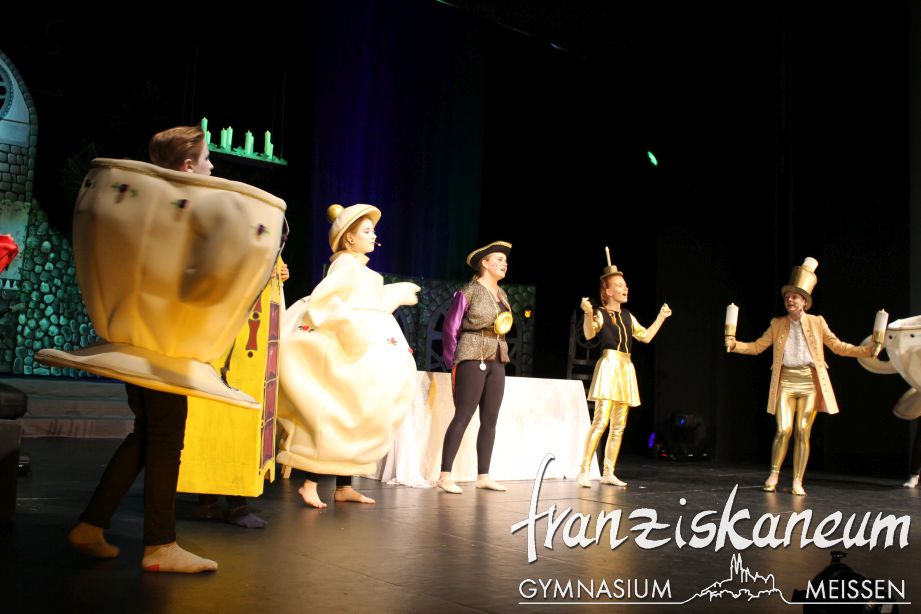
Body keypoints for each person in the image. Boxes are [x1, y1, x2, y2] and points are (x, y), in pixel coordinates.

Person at [68, 126, 218, 573]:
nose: (212, 166)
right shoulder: (179, 211)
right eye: (206, 158)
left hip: (138, 336)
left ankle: (91, 525)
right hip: (161, 340)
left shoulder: (145, 207)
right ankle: (160, 545)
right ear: (188, 166)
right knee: (166, 439)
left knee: (147, 435)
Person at [276, 204, 419, 508]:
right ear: (349, 238)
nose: (374, 235)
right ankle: (310, 482)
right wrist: (352, 332)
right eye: (366, 231)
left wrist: (393, 295)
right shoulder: (345, 265)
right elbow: (327, 300)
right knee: (337, 411)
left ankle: (344, 486)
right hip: (346, 343)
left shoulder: (361, 269)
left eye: (373, 231)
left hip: (366, 344)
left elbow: (368, 301)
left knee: (360, 409)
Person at [727, 257, 873, 496]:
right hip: (785, 380)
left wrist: (867, 351)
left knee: (803, 431)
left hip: (809, 382)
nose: (789, 300)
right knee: (783, 429)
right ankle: (774, 474)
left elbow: (838, 347)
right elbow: (757, 346)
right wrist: (735, 345)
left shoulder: (817, 322)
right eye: (787, 297)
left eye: (794, 297)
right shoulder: (777, 324)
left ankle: (797, 480)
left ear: (804, 301)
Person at [575, 260, 671, 488]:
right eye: (619, 285)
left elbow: (645, 337)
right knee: (600, 421)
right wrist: (588, 313)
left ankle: (609, 471)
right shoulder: (600, 314)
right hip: (609, 365)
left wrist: (661, 317)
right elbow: (589, 334)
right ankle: (584, 470)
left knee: (619, 425)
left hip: (625, 367)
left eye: (625, 285)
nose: (625, 288)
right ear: (608, 291)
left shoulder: (628, 315)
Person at [437, 241, 514, 494]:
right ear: (484, 263)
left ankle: (484, 475)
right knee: (463, 415)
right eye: (499, 259)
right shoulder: (469, 291)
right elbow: (451, 327)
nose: (504, 263)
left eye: (505, 260)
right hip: (472, 354)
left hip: (497, 356)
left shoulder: (502, 294)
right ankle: (445, 475)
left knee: (490, 419)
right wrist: (453, 360)